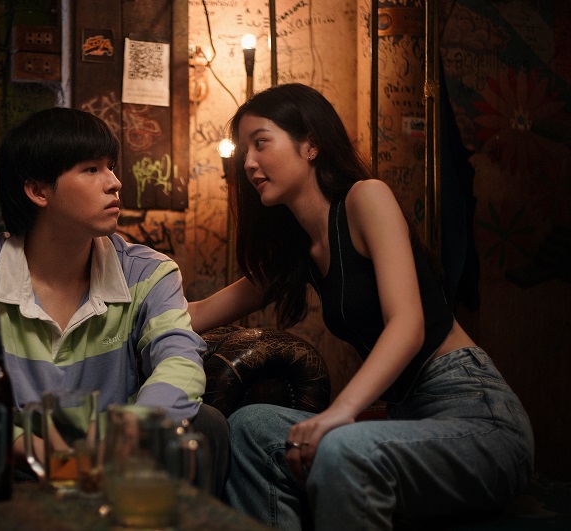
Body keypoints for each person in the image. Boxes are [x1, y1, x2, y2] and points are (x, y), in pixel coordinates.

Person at [188, 83, 534, 529]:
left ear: (311, 144)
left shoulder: (366, 198)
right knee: (251, 427)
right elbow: (198, 313)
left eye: (261, 143)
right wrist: (120, 279)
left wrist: (340, 412)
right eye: (244, 150)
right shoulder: (298, 250)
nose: (248, 162)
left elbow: (408, 325)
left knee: (339, 447)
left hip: (476, 414)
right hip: (405, 419)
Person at [0, 107, 229, 495]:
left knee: (207, 424)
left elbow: (179, 364)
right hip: (12, 461)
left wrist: (126, 434)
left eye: (111, 167)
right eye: (91, 169)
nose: (115, 182)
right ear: (38, 191)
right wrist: (29, 447)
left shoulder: (148, 272)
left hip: (115, 460)